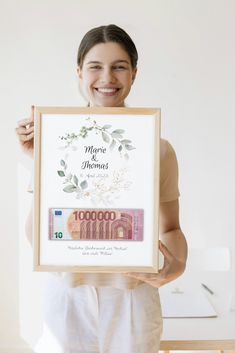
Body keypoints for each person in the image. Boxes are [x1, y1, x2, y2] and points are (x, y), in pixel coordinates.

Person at [16, 24, 187, 353]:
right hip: (68, 295)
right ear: (79, 72)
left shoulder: (159, 147)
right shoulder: (56, 140)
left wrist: (177, 265)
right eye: (95, 66)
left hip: (133, 296)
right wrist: (40, 162)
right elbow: (35, 235)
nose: (107, 78)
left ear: (134, 73)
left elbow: (171, 228)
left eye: (119, 66)